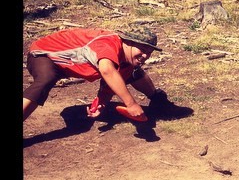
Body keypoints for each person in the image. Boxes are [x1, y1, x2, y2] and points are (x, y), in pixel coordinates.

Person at [23, 25, 185, 123]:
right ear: (127, 42)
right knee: (46, 79)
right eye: (142, 50)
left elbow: (111, 83)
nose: (146, 56)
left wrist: (101, 102)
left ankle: (159, 101)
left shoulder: (126, 60)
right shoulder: (108, 43)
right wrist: (131, 104)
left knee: (133, 72)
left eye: (149, 52)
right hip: (44, 54)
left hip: (68, 65)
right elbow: (107, 71)